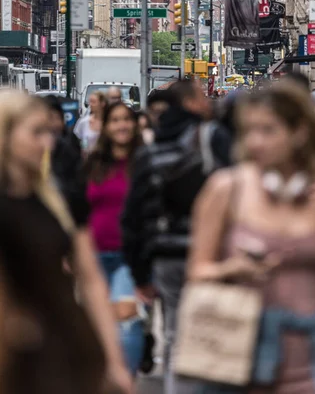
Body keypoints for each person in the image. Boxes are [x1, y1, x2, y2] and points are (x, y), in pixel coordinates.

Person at [188, 83, 315, 394]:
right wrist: (232, 268)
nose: (256, 142)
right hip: (242, 356)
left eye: (268, 130)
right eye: (249, 131)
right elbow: (196, 272)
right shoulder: (226, 188)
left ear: (298, 132)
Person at [0, 92, 132, 394]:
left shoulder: (58, 199)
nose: (47, 142)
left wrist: (114, 359)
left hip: (65, 341)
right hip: (15, 353)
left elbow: (90, 278)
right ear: (6, 134)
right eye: (36, 132)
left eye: (49, 132)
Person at [122, 78, 231, 394]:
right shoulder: (213, 138)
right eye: (201, 96)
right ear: (191, 103)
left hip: (167, 255)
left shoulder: (150, 151)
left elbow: (134, 217)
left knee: (174, 333)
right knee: (214, 331)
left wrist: (140, 272)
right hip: (212, 254)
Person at [85, 102, 144, 377]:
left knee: (127, 319)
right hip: (94, 255)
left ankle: (125, 380)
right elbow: (79, 209)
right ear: (105, 126)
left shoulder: (144, 162)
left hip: (129, 255)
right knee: (99, 323)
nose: (122, 125)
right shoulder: (92, 163)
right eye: (115, 120)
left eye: (126, 119)